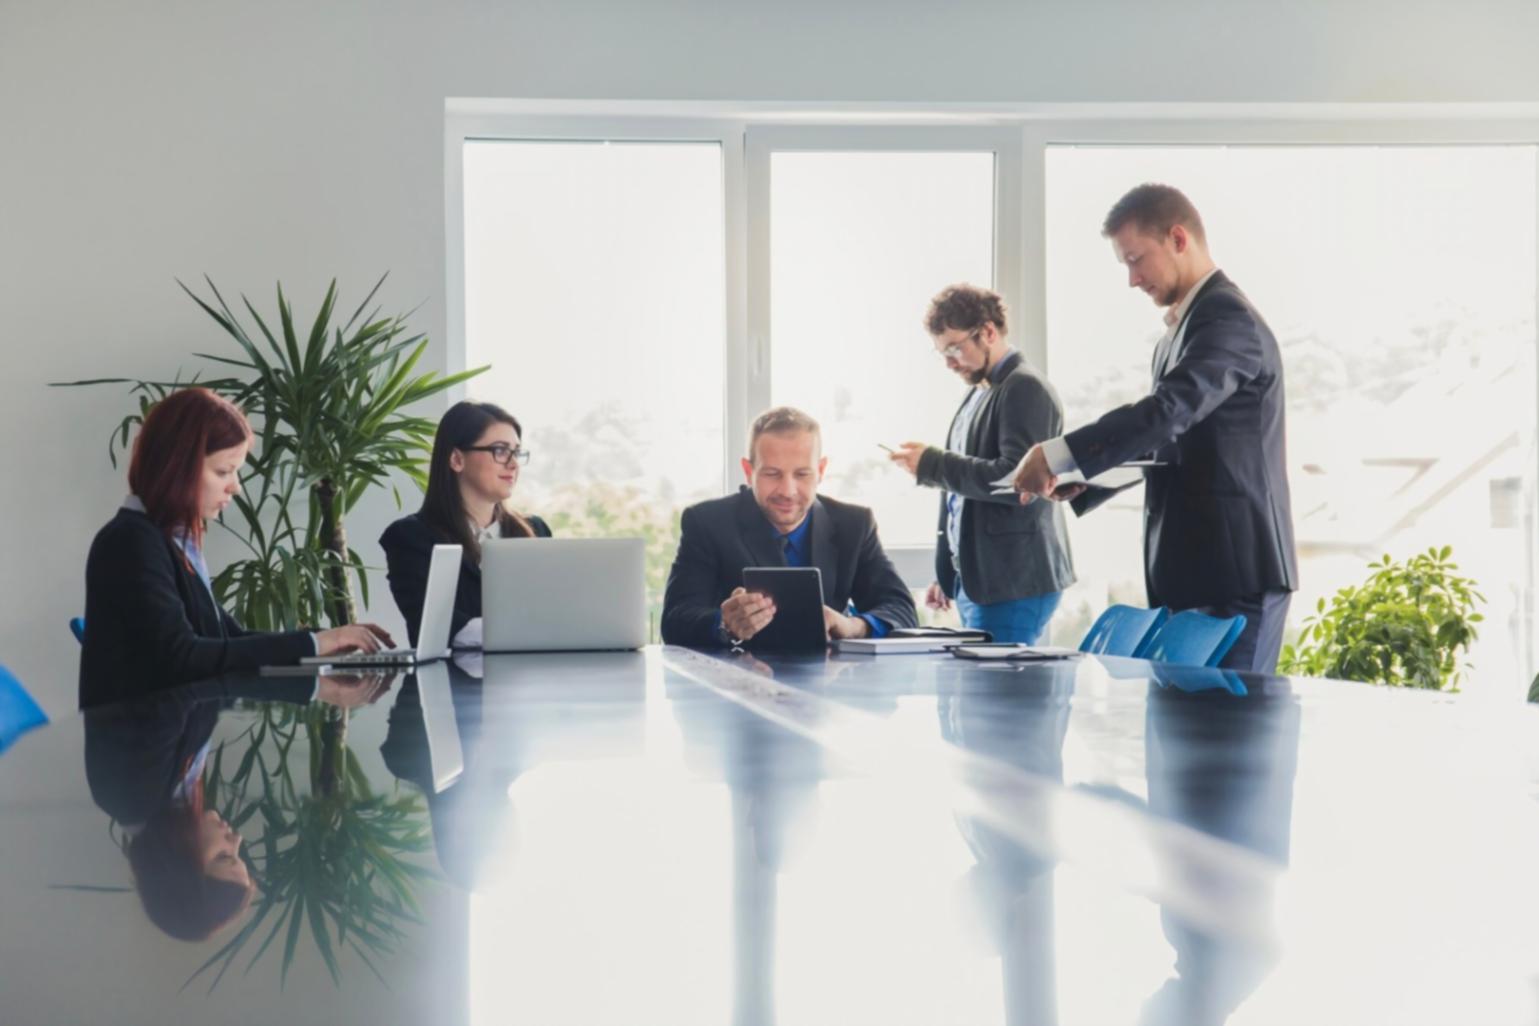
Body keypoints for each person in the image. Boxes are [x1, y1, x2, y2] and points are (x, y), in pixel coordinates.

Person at [1009, 184, 1297, 673]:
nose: (1132, 278)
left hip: (1235, 577)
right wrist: (1090, 479)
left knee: (1231, 741)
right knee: (1189, 742)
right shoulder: (1178, 334)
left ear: (1178, 239)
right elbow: (1173, 441)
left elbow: (1168, 412)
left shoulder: (1228, 319)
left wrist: (1056, 454)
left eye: (1136, 259)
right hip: (1195, 575)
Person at [79, 388, 392, 709]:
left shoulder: (170, 542)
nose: (236, 486)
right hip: (141, 749)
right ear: (177, 467)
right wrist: (317, 643)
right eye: (223, 471)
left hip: (175, 742)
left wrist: (324, 641)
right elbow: (183, 657)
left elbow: (228, 640)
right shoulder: (131, 543)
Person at [889, 284, 1075, 644]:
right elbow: (966, 499)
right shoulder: (979, 389)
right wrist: (956, 571)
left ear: (988, 332)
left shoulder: (1025, 388)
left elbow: (1016, 481)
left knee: (1000, 699)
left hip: (1011, 584)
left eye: (955, 348)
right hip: (984, 581)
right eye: (942, 353)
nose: (949, 362)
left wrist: (931, 464)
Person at [662, 406, 917, 649]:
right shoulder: (707, 523)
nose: (788, 491)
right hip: (736, 682)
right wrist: (724, 623)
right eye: (772, 474)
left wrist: (852, 626)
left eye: (802, 474)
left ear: (821, 470)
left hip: (828, 684)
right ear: (748, 471)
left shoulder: (854, 524)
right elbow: (675, 620)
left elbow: (901, 612)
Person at [380, 400, 551, 647]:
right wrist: (533, 631)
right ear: (457, 459)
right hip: (452, 683)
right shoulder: (411, 538)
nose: (513, 464)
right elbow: (440, 628)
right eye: (500, 451)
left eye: (517, 452)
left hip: (534, 681)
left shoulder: (536, 531)